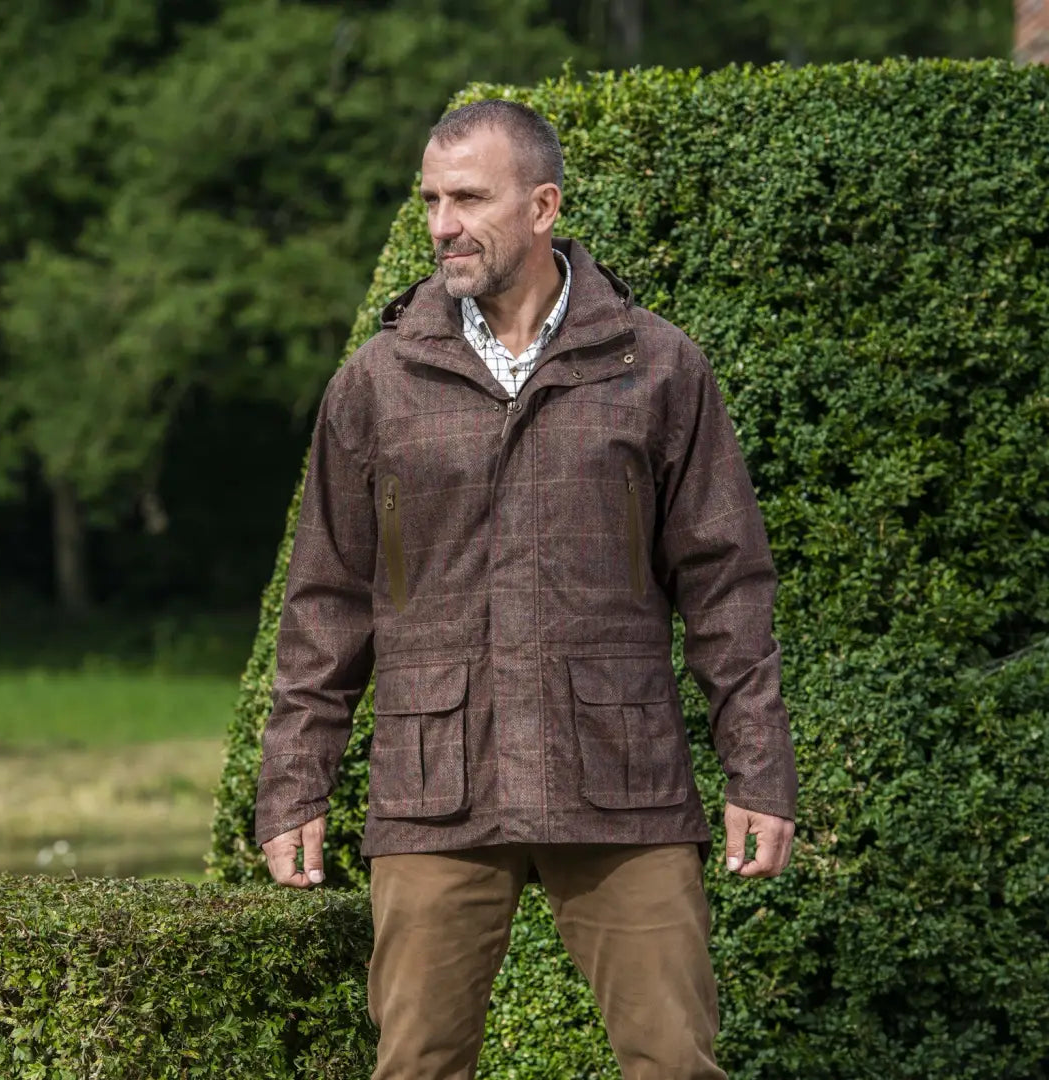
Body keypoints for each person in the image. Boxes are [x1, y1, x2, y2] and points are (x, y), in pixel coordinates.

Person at [255, 99, 797, 1080]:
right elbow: (325, 604)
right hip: (436, 785)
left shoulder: (657, 366)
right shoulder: (376, 383)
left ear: (543, 205)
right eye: (429, 199)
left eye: (468, 198)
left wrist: (757, 767)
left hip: (619, 782)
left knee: (677, 1064)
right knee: (415, 1066)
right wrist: (296, 783)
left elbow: (727, 587)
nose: (440, 224)